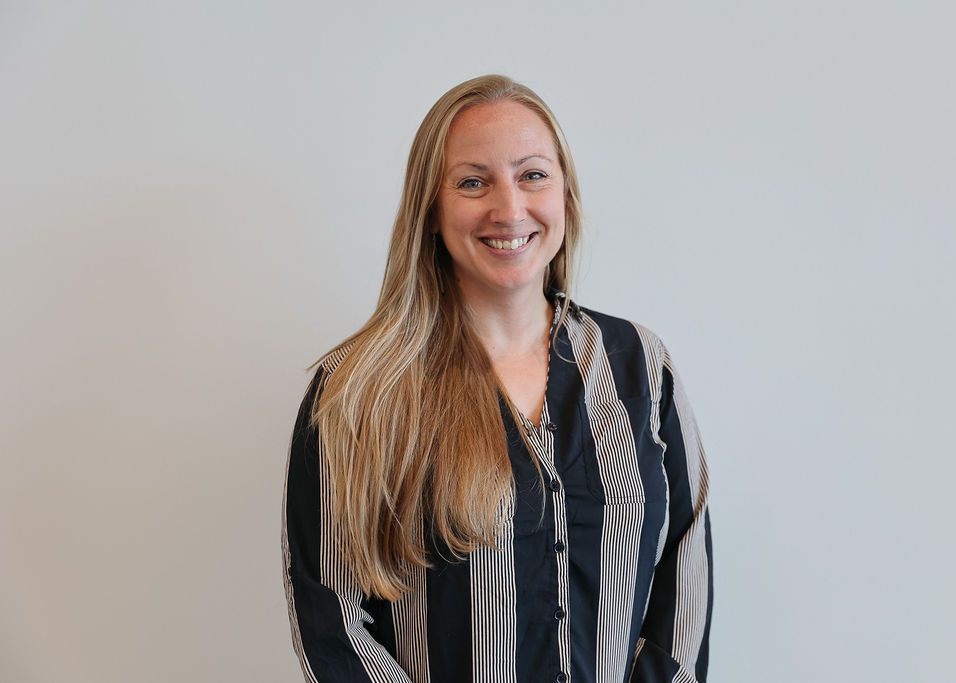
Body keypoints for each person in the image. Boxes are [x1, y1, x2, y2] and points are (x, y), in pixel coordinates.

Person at [282, 74, 713, 683]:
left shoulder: (639, 364)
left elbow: (685, 571)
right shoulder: (360, 390)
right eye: (472, 182)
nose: (508, 208)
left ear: (565, 193)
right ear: (430, 210)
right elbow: (333, 622)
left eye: (533, 174)